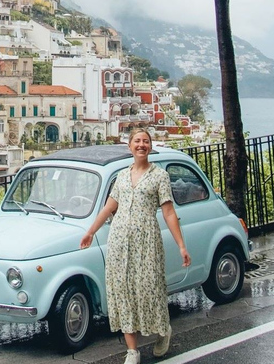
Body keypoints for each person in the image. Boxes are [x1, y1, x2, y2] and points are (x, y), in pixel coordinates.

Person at [80, 128, 191, 364]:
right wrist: (90, 232)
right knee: (123, 292)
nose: (141, 145)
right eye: (137, 141)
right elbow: (109, 207)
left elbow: (169, 212)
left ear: (150, 146)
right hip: (120, 241)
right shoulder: (121, 176)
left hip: (147, 241)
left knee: (151, 289)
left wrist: (181, 245)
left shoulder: (159, 175)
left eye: (146, 141)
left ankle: (163, 331)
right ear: (129, 146)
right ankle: (132, 350)